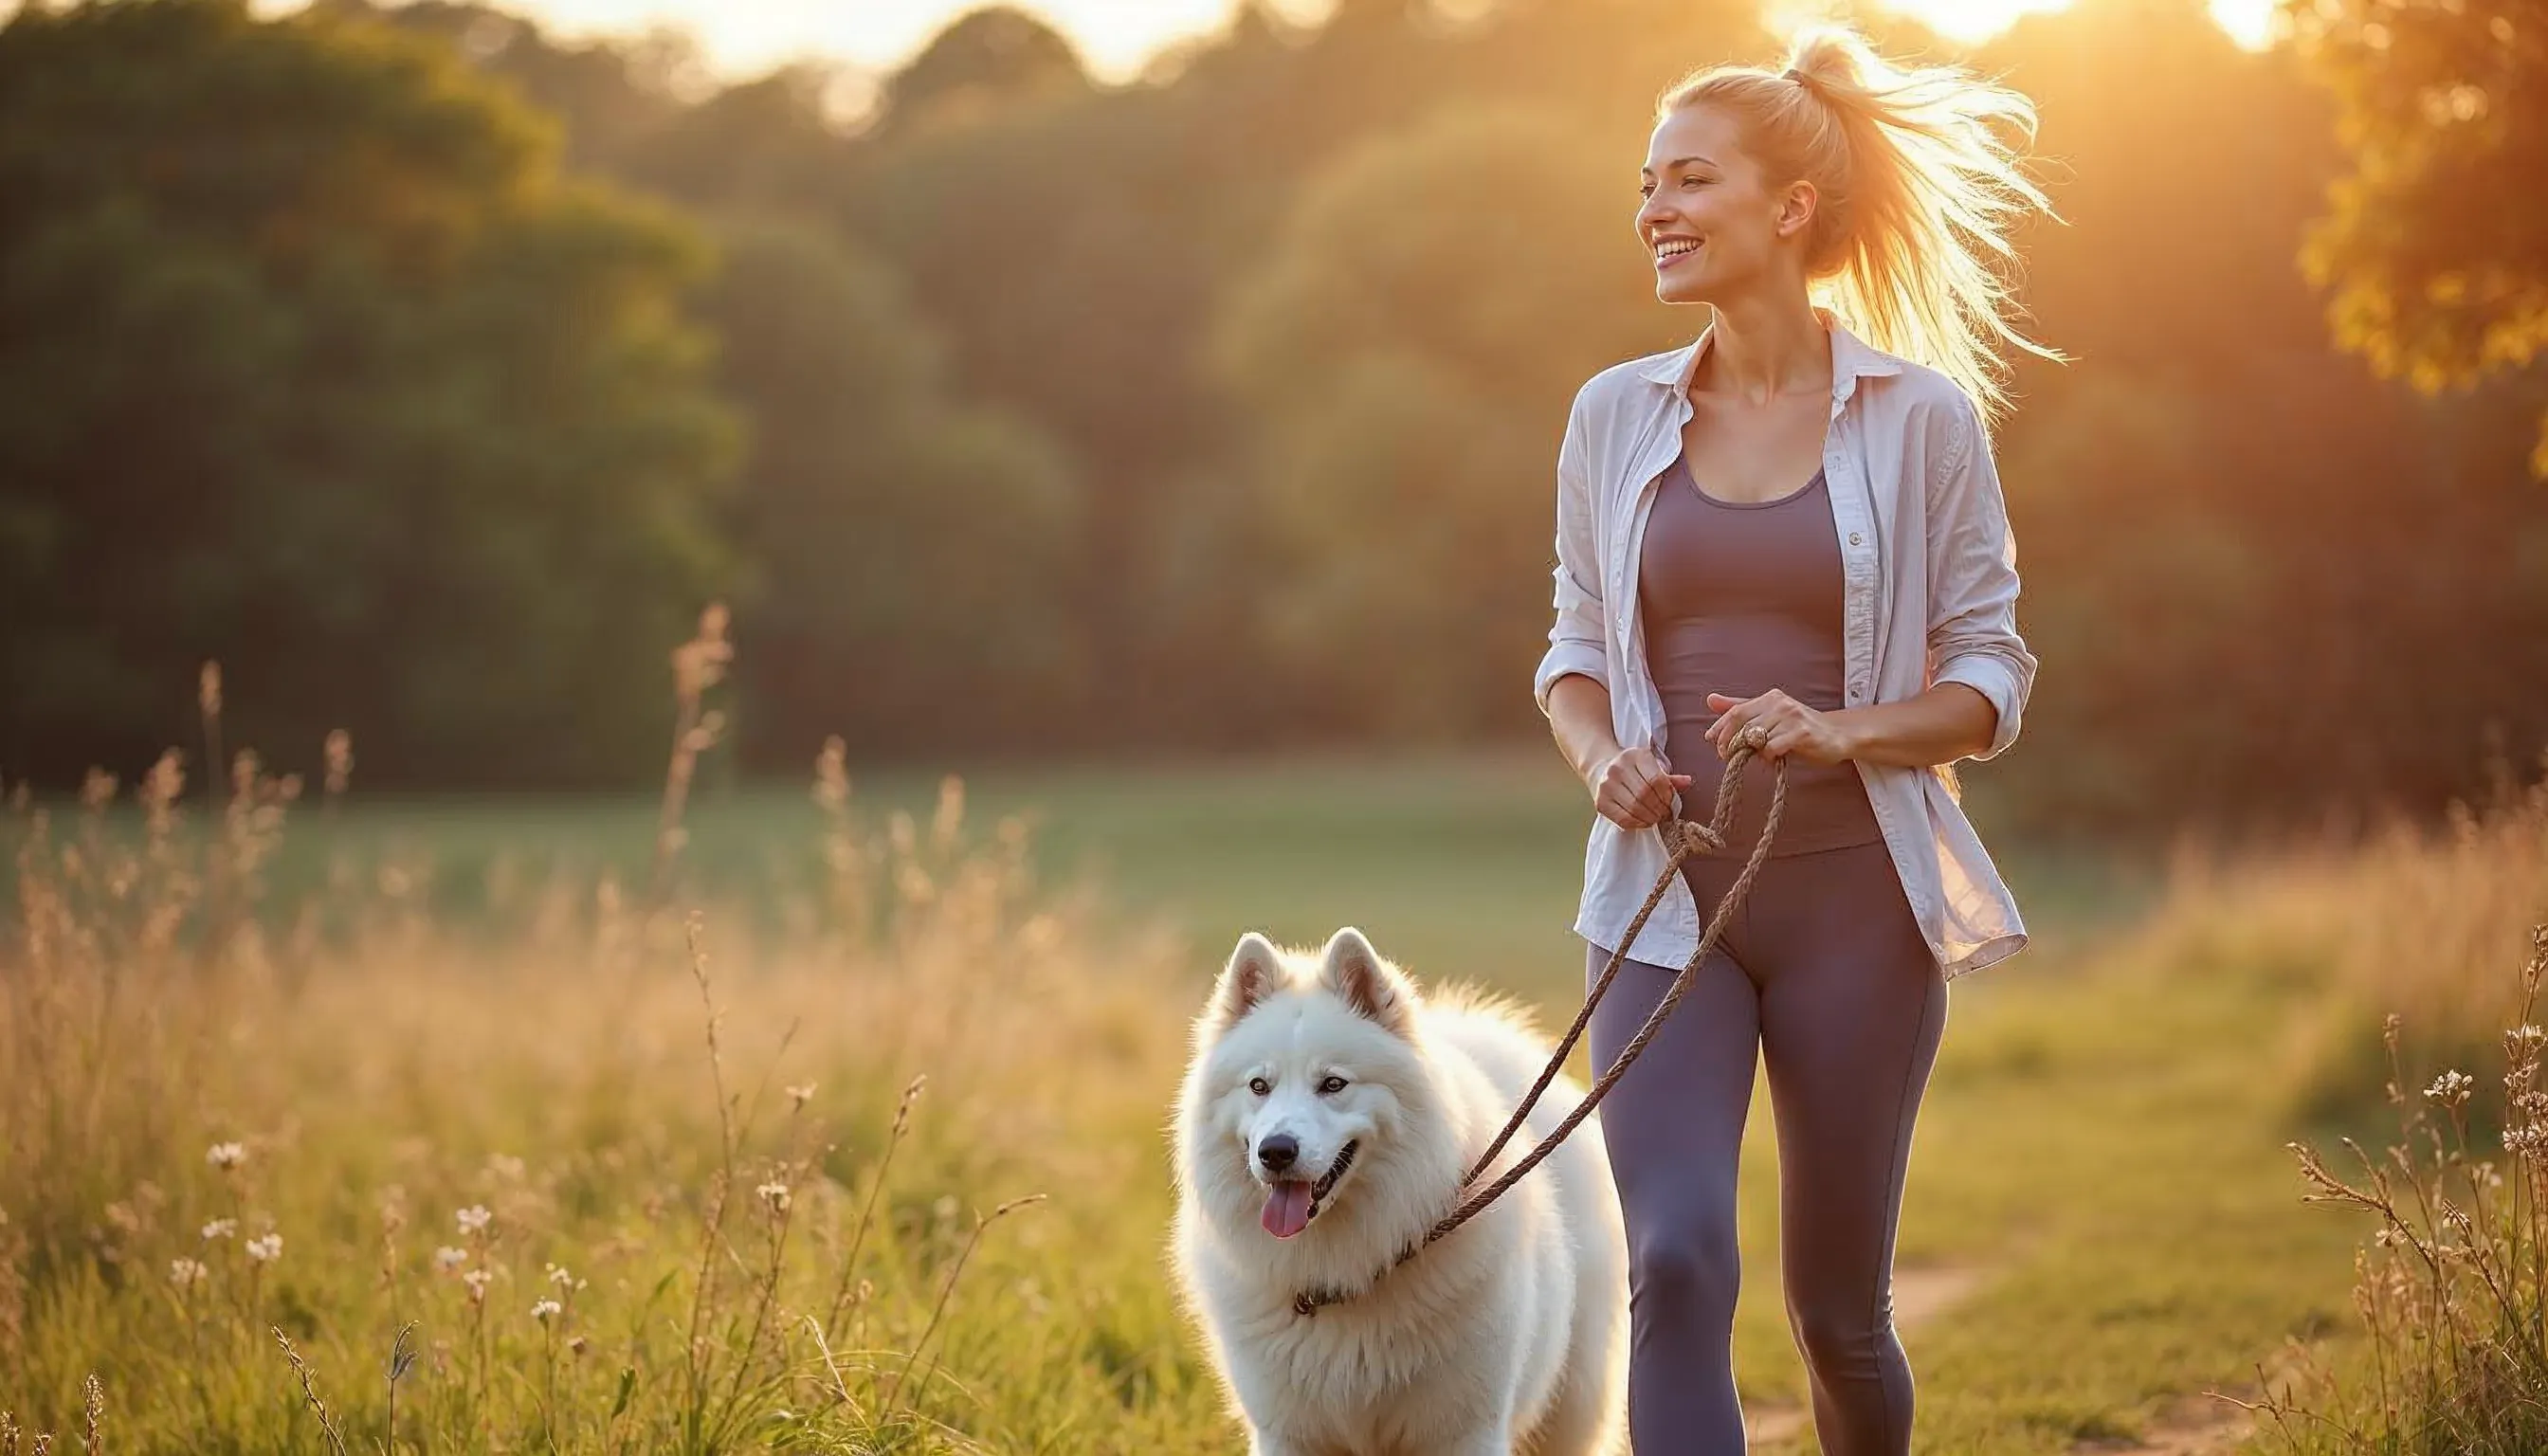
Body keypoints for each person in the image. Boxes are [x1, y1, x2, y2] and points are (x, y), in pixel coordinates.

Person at [1532, 25, 2053, 1454]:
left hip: (1858, 910)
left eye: (1689, 178)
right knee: (1677, 1265)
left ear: (1791, 208)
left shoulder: (1920, 418)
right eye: (1646, 182)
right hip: (1658, 910)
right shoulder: (1611, 417)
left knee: (1838, 1314)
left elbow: (1992, 678)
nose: (1654, 209)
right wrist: (1604, 763)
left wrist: (1840, 731)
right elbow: (1574, 657)